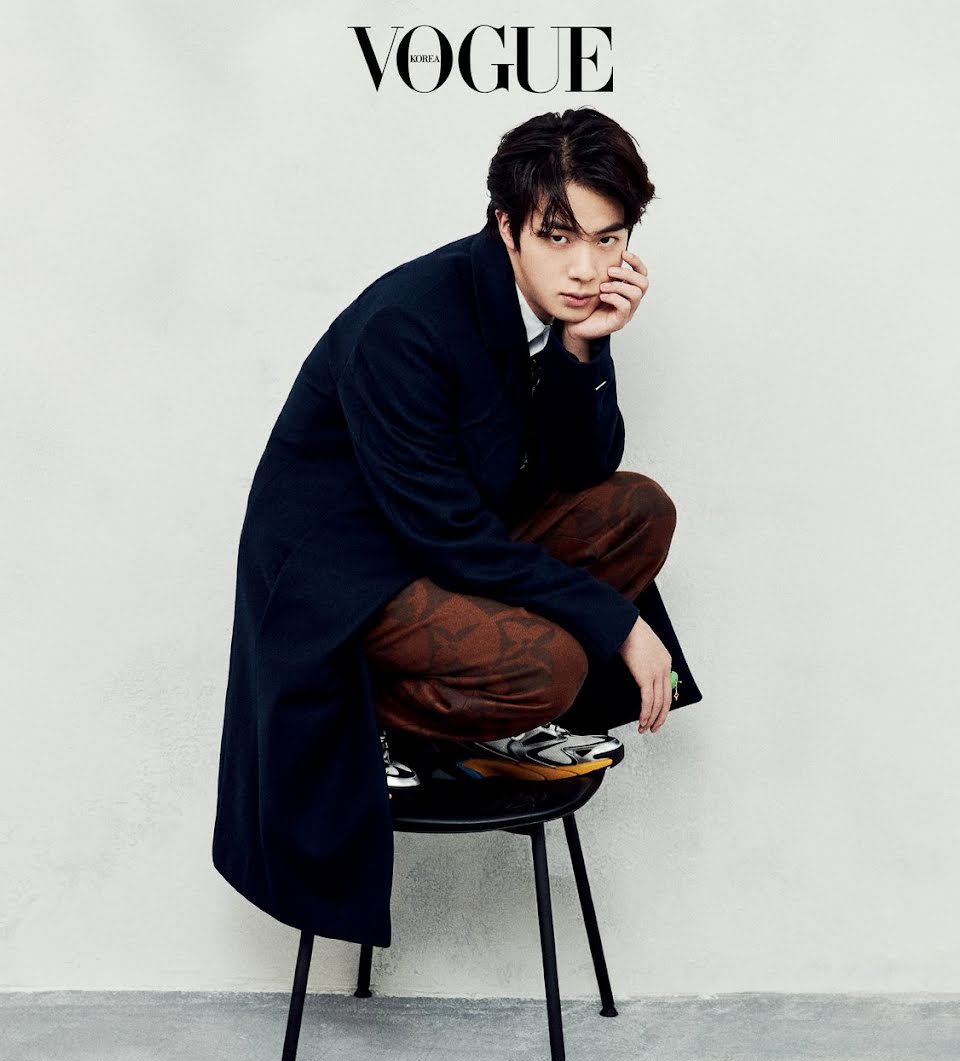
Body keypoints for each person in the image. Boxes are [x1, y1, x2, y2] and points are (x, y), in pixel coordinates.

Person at [213, 107, 702, 948]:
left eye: (609, 239)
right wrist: (615, 623)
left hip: (444, 543)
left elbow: (580, 476)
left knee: (638, 511)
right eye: (558, 237)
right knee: (554, 666)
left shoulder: (554, 308)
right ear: (506, 226)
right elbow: (445, 534)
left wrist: (584, 350)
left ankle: (476, 704)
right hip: (349, 584)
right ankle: (378, 716)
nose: (587, 269)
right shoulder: (407, 323)